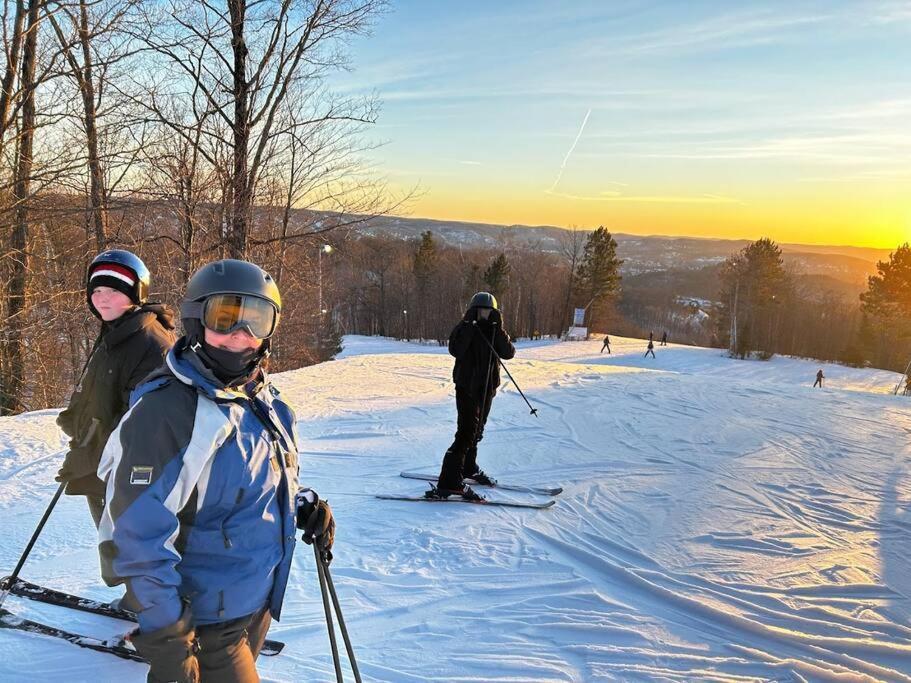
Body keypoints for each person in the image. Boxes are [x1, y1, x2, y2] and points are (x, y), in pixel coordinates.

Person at [97, 259, 335, 683]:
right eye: (225, 317)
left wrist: (300, 504)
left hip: (253, 602)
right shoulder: (167, 411)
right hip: (204, 619)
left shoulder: (264, 400)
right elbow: (136, 534)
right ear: (195, 319)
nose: (240, 333)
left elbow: (245, 482)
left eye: (255, 319)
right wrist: (169, 635)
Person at [56, 249, 176, 529]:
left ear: (136, 293)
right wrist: (78, 418)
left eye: (113, 289)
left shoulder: (151, 343)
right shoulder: (116, 331)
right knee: (110, 547)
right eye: (96, 290)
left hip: (129, 475)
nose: (102, 298)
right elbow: (100, 390)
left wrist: (90, 456)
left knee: (125, 552)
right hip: (101, 466)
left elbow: (143, 423)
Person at [431, 291, 515, 500]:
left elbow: (508, 353)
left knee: (477, 431)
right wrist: (470, 325)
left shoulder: (495, 331)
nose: (484, 315)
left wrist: (499, 329)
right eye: (480, 311)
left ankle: (468, 468)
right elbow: (456, 350)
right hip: (467, 387)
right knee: (466, 433)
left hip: (487, 388)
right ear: (472, 311)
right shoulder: (464, 328)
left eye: (488, 311)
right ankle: (449, 481)